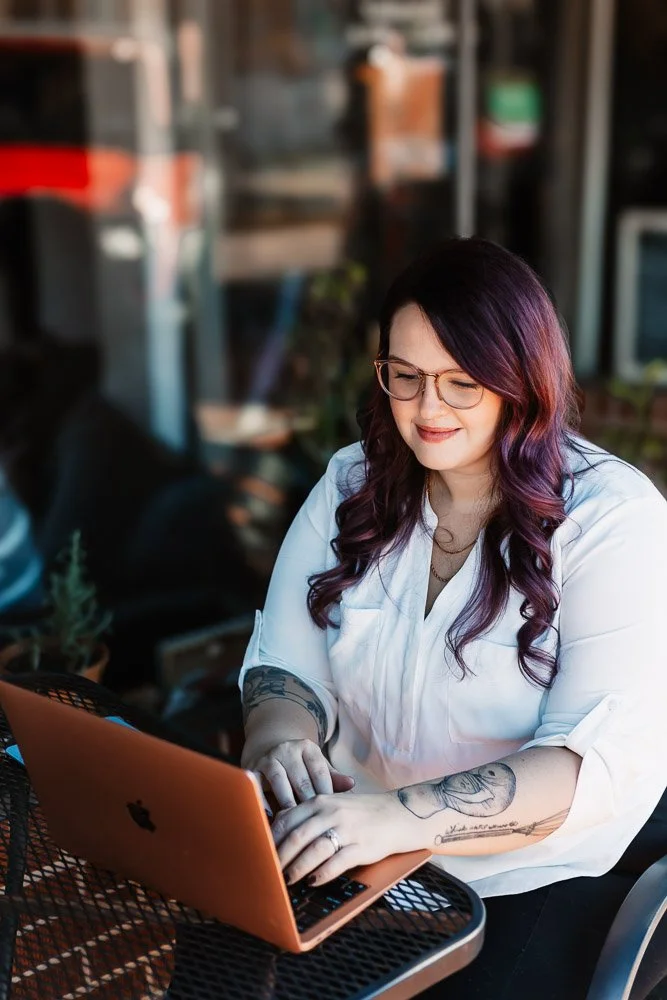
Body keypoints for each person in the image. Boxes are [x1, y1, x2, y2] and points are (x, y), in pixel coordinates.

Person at [238, 237, 667, 998]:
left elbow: (583, 766)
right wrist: (280, 737)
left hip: (526, 877)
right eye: (403, 378)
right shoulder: (350, 484)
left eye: (460, 382)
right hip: (356, 851)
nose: (426, 408)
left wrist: (398, 818)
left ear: (519, 382)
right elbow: (284, 661)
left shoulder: (613, 519)